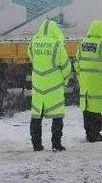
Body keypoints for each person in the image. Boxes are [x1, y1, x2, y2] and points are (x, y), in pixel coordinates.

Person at [28, 20, 71, 151]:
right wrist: (65, 80)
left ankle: (36, 144)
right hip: (54, 86)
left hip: (38, 85)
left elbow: (31, 57)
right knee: (57, 116)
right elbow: (65, 65)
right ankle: (56, 144)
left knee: (36, 116)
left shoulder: (33, 42)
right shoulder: (57, 44)